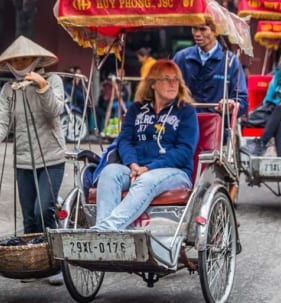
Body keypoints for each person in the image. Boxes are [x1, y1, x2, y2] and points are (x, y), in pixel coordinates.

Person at [0, 36, 66, 285]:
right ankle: (31, 263)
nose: (21, 63)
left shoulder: (53, 81)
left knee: (44, 210)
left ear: (36, 60)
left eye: (25, 59)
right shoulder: (10, 89)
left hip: (52, 158)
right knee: (29, 215)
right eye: (16, 60)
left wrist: (42, 87)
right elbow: (0, 118)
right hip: (23, 161)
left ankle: (57, 261)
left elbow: (55, 111)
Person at [93, 60, 198, 230]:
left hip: (174, 172)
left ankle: (104, 230)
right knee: (110, 172)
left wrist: (149, 168)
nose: (173, 84)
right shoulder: (137, 109)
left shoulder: (186, 111)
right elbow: (125, 140)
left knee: (146, 180)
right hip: (136, 169)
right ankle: (106, 236)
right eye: (166, 79)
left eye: (176, 79)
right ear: (153, 84)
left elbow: (185, 151)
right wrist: (133, 165)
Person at [173, 20, 248, 116]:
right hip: (185, 122)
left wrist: (231, 105)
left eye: (203, 29)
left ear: (215, 31)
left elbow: (242, 100)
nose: (197, 34)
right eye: (194, 28)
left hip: (218, 126)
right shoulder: (181, 58)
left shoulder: (230, 62)